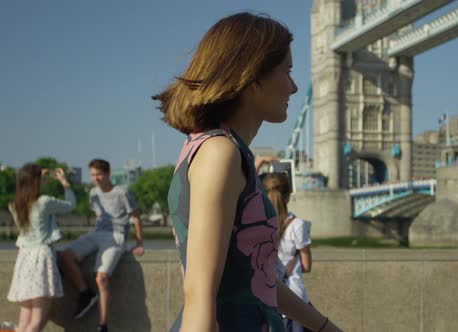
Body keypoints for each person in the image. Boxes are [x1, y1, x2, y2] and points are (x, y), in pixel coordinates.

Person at [153, 12, 342, 332]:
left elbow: (259, 281)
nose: (294, 88)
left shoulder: (219, 148)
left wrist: (323, 327)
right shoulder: (219, 153)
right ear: (253, 78)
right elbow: (199, 295)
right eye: (287, 72)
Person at [58, 159, 144, 332]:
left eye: (99, 174)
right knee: (64, 255)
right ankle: (85, 292)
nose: (95, 178)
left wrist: (139, 242)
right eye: (92, 175)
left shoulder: (122, 192)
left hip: (116, 235)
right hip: (97, 233)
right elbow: (99, 217)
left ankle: (102, 325)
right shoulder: (93, 193)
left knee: (101, 278)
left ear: (108, 173)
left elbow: (135, 217)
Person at [7, 164, 76, 332]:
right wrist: (64, 183)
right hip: (41, 258)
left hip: (24, 260)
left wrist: (37, 175)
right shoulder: (44, 202)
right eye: (41, 179)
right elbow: (70, 205)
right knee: (37, 320)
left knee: (23, 322)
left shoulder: (14, 205)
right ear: (36, 181)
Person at [263, 172, 313, 332]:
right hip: (294, 298)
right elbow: (306, 266)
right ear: (289, 195)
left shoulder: (260, 224)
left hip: (267, 298)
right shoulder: (297, 225)